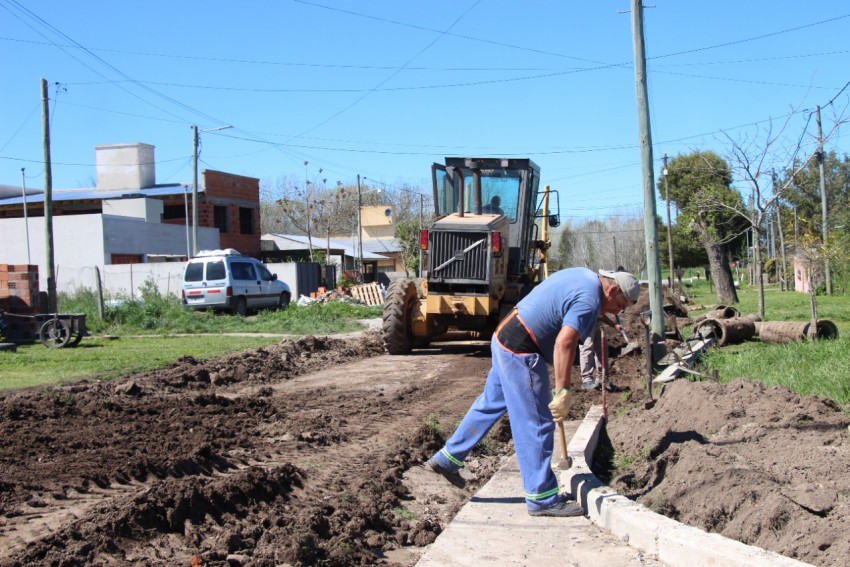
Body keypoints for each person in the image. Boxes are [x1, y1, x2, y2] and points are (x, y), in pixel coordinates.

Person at [425, 267, 640, 517]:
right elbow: (564, 343)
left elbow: (552, 298)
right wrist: (562, 391)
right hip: (522, 350)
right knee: (537, 421)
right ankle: (542, 498)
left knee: (491, 403)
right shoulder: (589, 300)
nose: (618, 312)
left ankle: (448, 458)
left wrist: (597, 315)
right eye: (620, 305)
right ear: (612, 289)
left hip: (505, 336)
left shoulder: (584, 276)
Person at [579, 266, 627, 391]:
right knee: (587, 347)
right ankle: (586, 379)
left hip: (595, 321)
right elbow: (600, 313)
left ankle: (603, 378)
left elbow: (600, 314)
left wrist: (614, 325)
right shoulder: (594, 290)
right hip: (585, 321)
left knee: (602, 348)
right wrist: (613, 324)